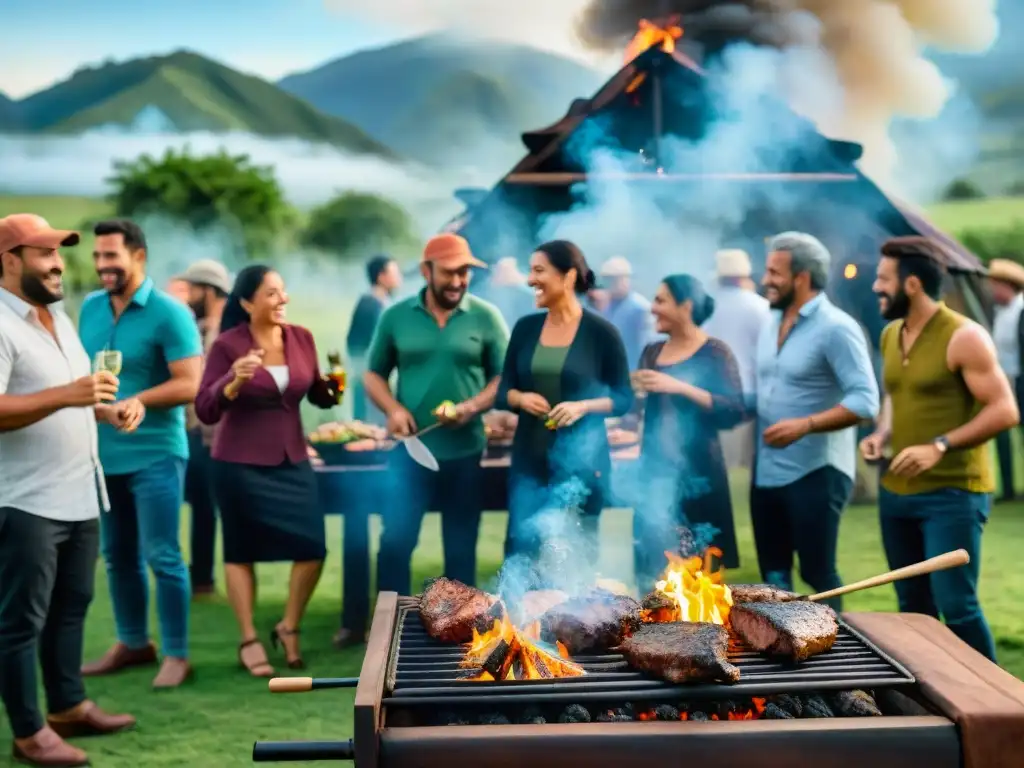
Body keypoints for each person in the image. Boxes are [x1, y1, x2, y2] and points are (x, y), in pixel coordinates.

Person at [0, 214, 136, 767]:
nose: (59, 263)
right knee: (20, 622)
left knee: (72, 606)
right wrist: (69, 395)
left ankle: (68, 705)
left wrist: (105, 411)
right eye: (44, 253)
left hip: (81, 491)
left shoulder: (57, 315)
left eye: (60, 252)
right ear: (9, 260)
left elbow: (69, 396)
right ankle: (29, 732)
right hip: (25, 499)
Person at [861, 237, 1018, 661]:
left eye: (883, 278)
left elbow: (1005, 410)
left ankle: (997, 704)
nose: (875, 286)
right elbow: (896, 393)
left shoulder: (965, 337)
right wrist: (883, 433)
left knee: (957, 606)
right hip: (896, 494)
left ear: (911, 284)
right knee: (912, 609)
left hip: (952, 494)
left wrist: (940, 445)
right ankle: (930, 700)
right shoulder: (892, 334)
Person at [194, 265, 341, 674]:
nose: (282, 300)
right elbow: (205, 408)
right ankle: (249, 639)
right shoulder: (227, 345)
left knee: (313, 547)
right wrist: (232, 381)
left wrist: (331, 388)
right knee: (241, 553)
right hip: (238, 463)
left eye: (283, 291)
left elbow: (315, 394)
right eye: (272, 294)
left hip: (292, 458)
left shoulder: (302, 338)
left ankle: (289, 626)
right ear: (247, 302)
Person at [78, 219, 203, 689]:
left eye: (112, 256)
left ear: (139, 257)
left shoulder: (170, 312)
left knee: (162, 554)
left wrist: (140, 401)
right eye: (98, 257)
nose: (103, 266)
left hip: (155, 453)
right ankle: (133, 642)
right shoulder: (89, 308)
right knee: (117, 555)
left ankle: (176, 654)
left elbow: (190, 383)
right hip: (102, 454)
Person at [365, 234, 508, 596]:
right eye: (450, 272)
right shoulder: (396, 317)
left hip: (465, 452)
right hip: (409, 452)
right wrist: (393, 409)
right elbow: (373, 374)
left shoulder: (486, 317)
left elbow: (503, 377)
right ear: (426, 271)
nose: (459, 280)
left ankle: (460, 636)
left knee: (460, 550)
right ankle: (387, 625)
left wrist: (472, 407)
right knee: (395, 543)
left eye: (465, 272)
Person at [751, 232, 879, 611]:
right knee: (773, 576)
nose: (765, 279)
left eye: (774, 272)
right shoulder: (770, 320)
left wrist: (804, 425)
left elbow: (866, 400)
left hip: (817, 471)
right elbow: (768, 390)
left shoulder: (837, 327)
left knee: (818, 572)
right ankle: (782, 656)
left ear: (802, 277)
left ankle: (836, 650)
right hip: (767, 471)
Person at [496, 240, 633, 573]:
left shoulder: (602, 333)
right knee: (523, 551)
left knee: (577, 555)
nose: (530, 280)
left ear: (569, 276)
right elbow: (503, 390)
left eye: (539, 270)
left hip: (584, 467)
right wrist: (520, 398)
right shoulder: (526, 328)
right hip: (529, 463)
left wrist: (583, 406)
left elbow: (623, 398)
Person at [632, 274, 746, 588]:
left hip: (700, 479)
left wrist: (679, 387)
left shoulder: (715, 353)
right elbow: (640, 411)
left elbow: (734, 409)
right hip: (654, 477)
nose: (653, 308)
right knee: (651, 578)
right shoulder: (652, 353)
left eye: (660, 301)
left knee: (700, 582)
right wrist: (626, 429)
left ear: (686, 306)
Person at [176, 259, 231, 596]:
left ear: (208, 291)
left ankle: (206, 577)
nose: (188, 294)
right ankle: (202, 577)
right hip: (196, 430)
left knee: (212, 504)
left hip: (216, 433)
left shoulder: (226, 330)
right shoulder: (198, 325)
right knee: (201, 504)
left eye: (193, 288)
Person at [701, 249, 771, 470]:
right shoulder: (761, 307)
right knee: (752, 466)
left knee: (717, 466)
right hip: (751, 392)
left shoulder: (704, 307)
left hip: (710, 393)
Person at [986, 258, 1024, 502]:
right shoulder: (1001, 313)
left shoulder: (1021, 310)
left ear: (1008, 285)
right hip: (1004, 381)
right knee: (1000, 435)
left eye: (996, 285)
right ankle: (1008, 488)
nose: (992, 291)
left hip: (1021, 381)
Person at [347, 254, 402, 423]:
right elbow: (360, 345)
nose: (399, 278)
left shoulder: (381, 303)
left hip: (374, 377)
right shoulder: (371, 305)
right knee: (371, 426)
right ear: (381, 277)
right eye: (394, 273)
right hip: (368, 379)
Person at [596, 256, 653, 371]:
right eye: (608, 279)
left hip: (631, 370)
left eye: (615, 279)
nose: (611, 283)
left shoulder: (640, 308)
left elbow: (646, 346)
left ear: (626, 279)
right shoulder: (603, 305)